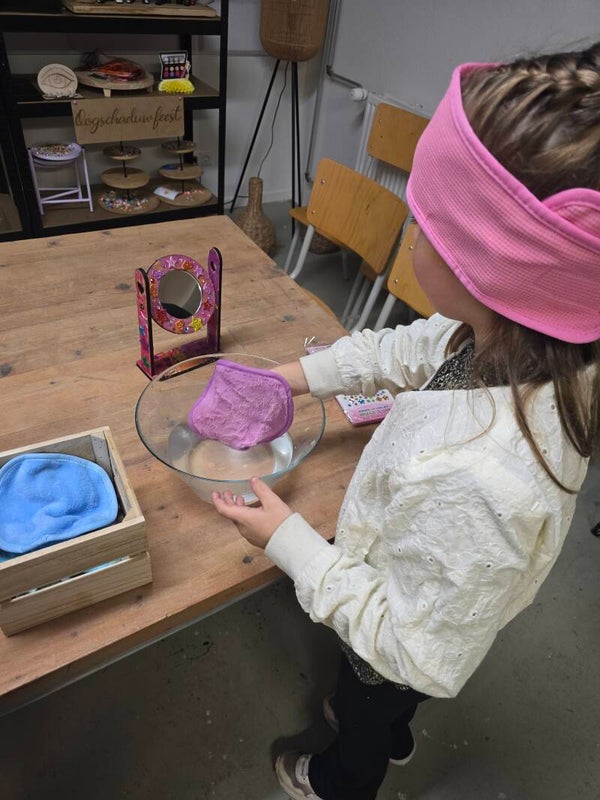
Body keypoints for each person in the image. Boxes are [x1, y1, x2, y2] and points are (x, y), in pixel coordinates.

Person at [212, 40, 600, 800]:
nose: (409, 237)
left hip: (400, 633)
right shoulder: (516, 335)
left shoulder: (489, 479)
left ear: (489, 269)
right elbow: (407, 348)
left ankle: (339, 778)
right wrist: (295, 379)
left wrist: (288, 540)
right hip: (426, 583)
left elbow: (417, 649)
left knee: (376, 694)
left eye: (424, 226)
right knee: (385, 703)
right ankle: (387, 728)